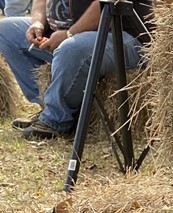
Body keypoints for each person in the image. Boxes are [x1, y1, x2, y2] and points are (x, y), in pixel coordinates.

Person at [0, 0, 152, 140]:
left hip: (123, 36)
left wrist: (68, 34)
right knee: (6, 31)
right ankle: (49, 107)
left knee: (70, 49)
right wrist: (38, 24)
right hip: (67, 34)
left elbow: (103, 6)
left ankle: (55, 119)